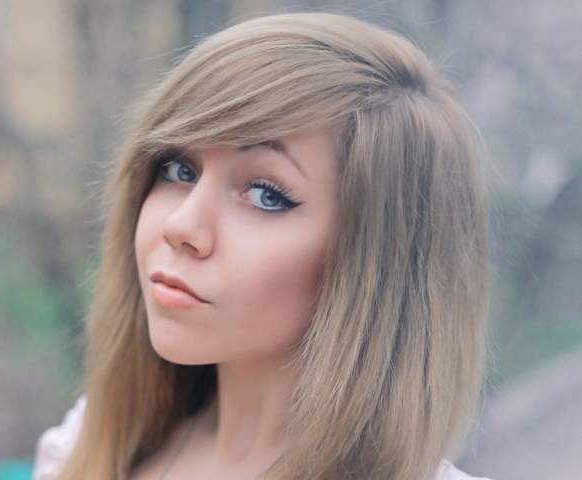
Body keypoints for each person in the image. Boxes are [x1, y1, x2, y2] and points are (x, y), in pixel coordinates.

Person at [35, 11, 494, 480]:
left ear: (379, 261)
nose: (181, 225)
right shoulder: (83, 448)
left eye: (265, 195)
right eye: (179, 170)